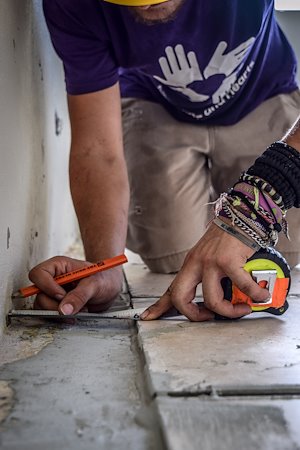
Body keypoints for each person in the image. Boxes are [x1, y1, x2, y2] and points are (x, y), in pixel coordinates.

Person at [29, 0, 300, 320]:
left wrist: (249, 213)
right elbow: (98, 149)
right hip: (156, 104)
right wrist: (103, 267)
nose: (147, 5)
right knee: (173, 256)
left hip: (263, 92)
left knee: (287, 245)